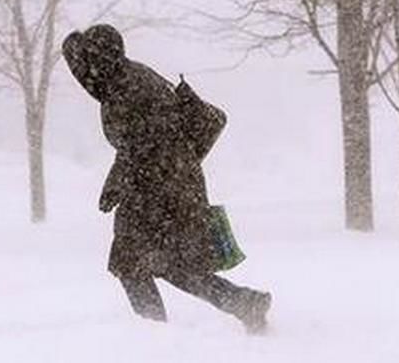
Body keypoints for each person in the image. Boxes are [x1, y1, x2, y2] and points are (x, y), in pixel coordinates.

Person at [62, 24, 271, 333]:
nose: (88, 69)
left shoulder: (128, 89)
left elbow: (143, 142)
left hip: (159, 187)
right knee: (174, 265)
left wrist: (115, 182)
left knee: (132, 262)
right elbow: (91, 83)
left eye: (92, 60)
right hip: (170, 183)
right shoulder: (123, 78)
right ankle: (243, 302)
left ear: (105, 58)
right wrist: (72, 46)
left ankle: (154, 337)